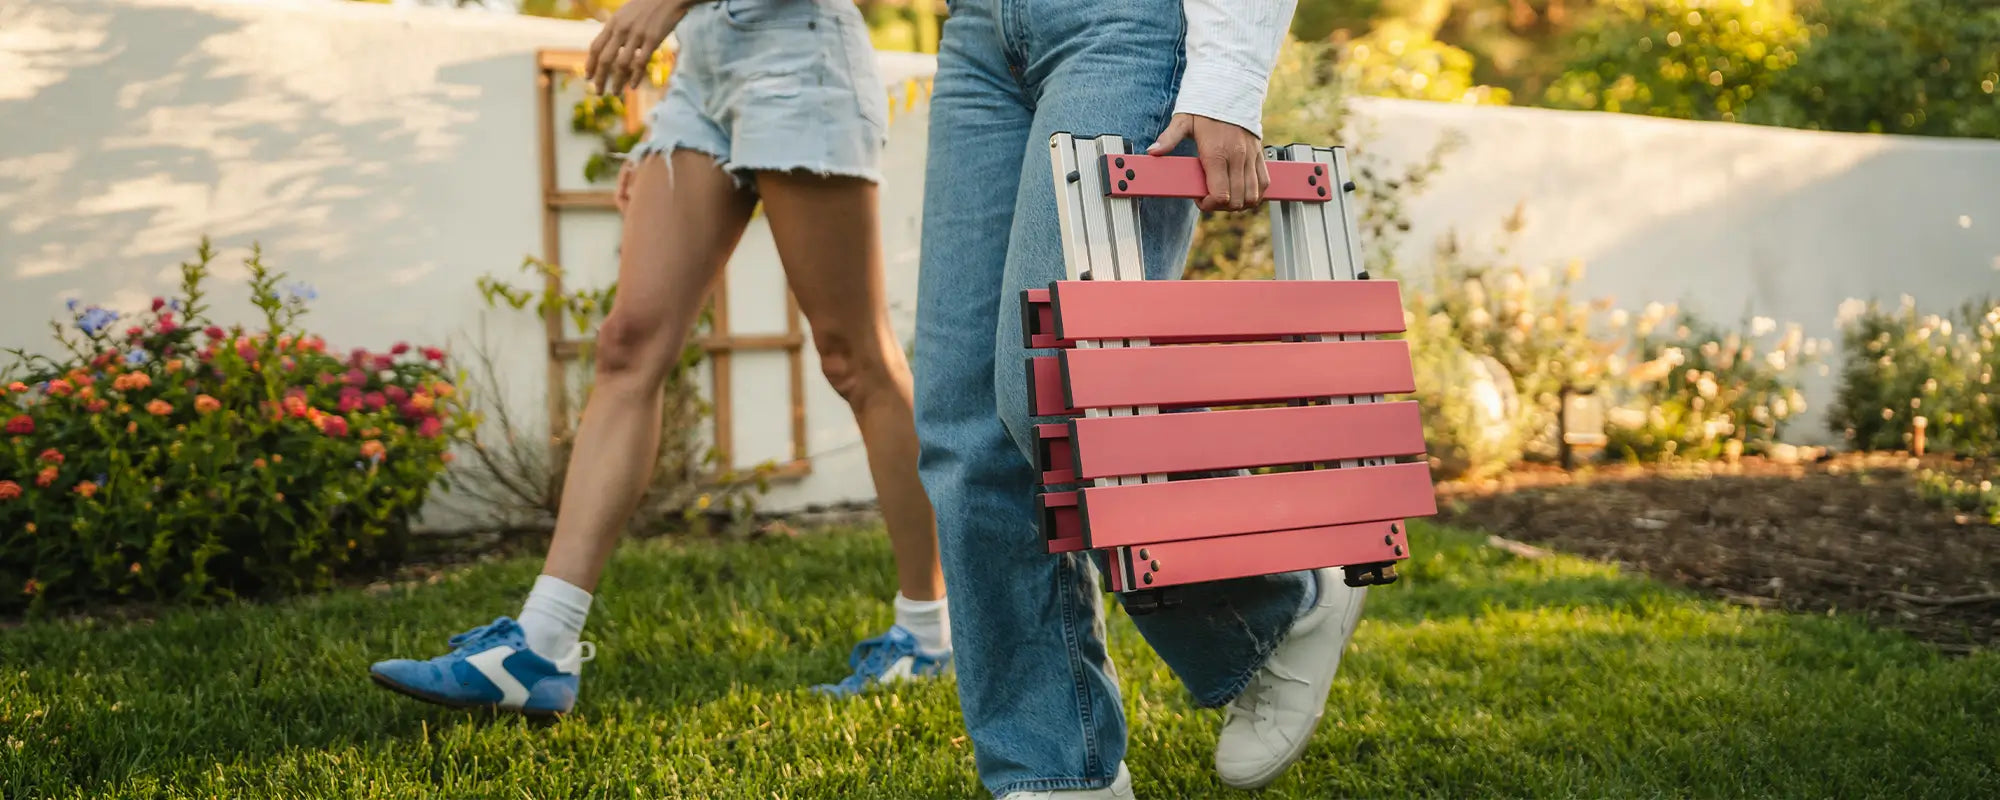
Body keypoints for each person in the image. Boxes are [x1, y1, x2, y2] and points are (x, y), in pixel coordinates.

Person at [368, 0, 951, 716]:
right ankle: (541, 648)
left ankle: (929, 633)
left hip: (798, 53)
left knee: (851, 356)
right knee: (628, 342)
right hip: (701, 74)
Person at [912, 0, 1371, 797]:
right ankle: (1053, 768)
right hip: (976, 34)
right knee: (965, 427)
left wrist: (1229, 76)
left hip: (1122, 23)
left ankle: (1275, 599)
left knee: (1057, 384)